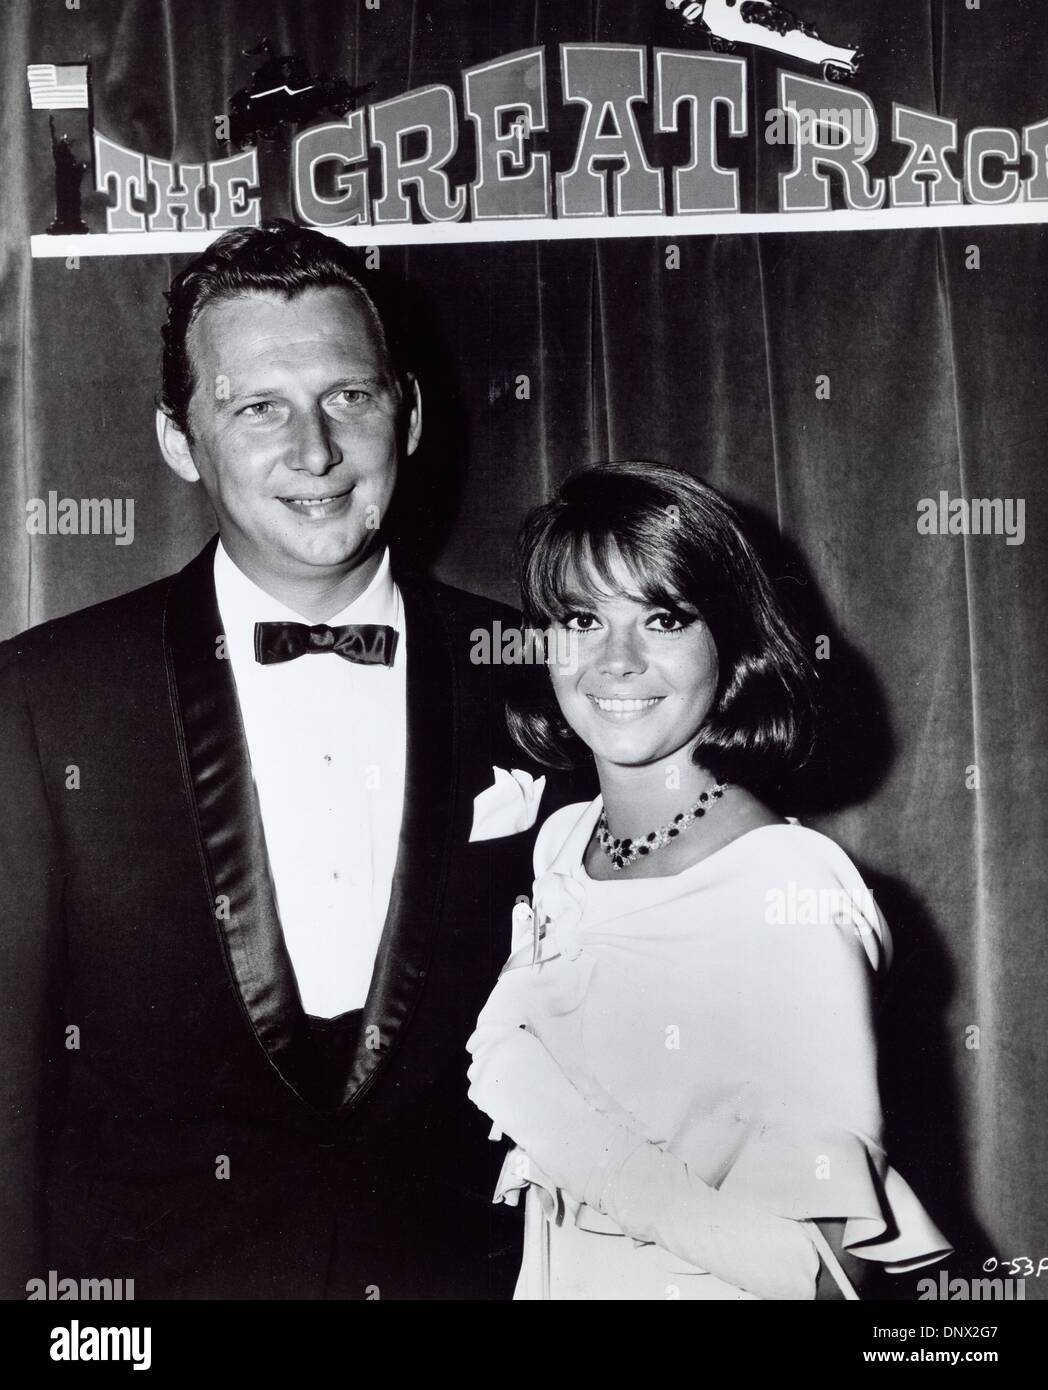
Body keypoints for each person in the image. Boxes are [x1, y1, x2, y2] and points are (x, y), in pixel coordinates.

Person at [0, 220, 581, 1300]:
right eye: (257, 406)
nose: (314, 451)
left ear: (406, 413)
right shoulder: (42, 702)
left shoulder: (548, 680)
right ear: (180, 440)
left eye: (348, 397)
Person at [467, 461, 951, 1300]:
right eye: (581, 619)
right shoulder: (561, 844)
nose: (614, 662)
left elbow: (830, 1277)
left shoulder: (787, 886)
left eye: (662, 618)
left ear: (729, 644)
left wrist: (571, 1136)